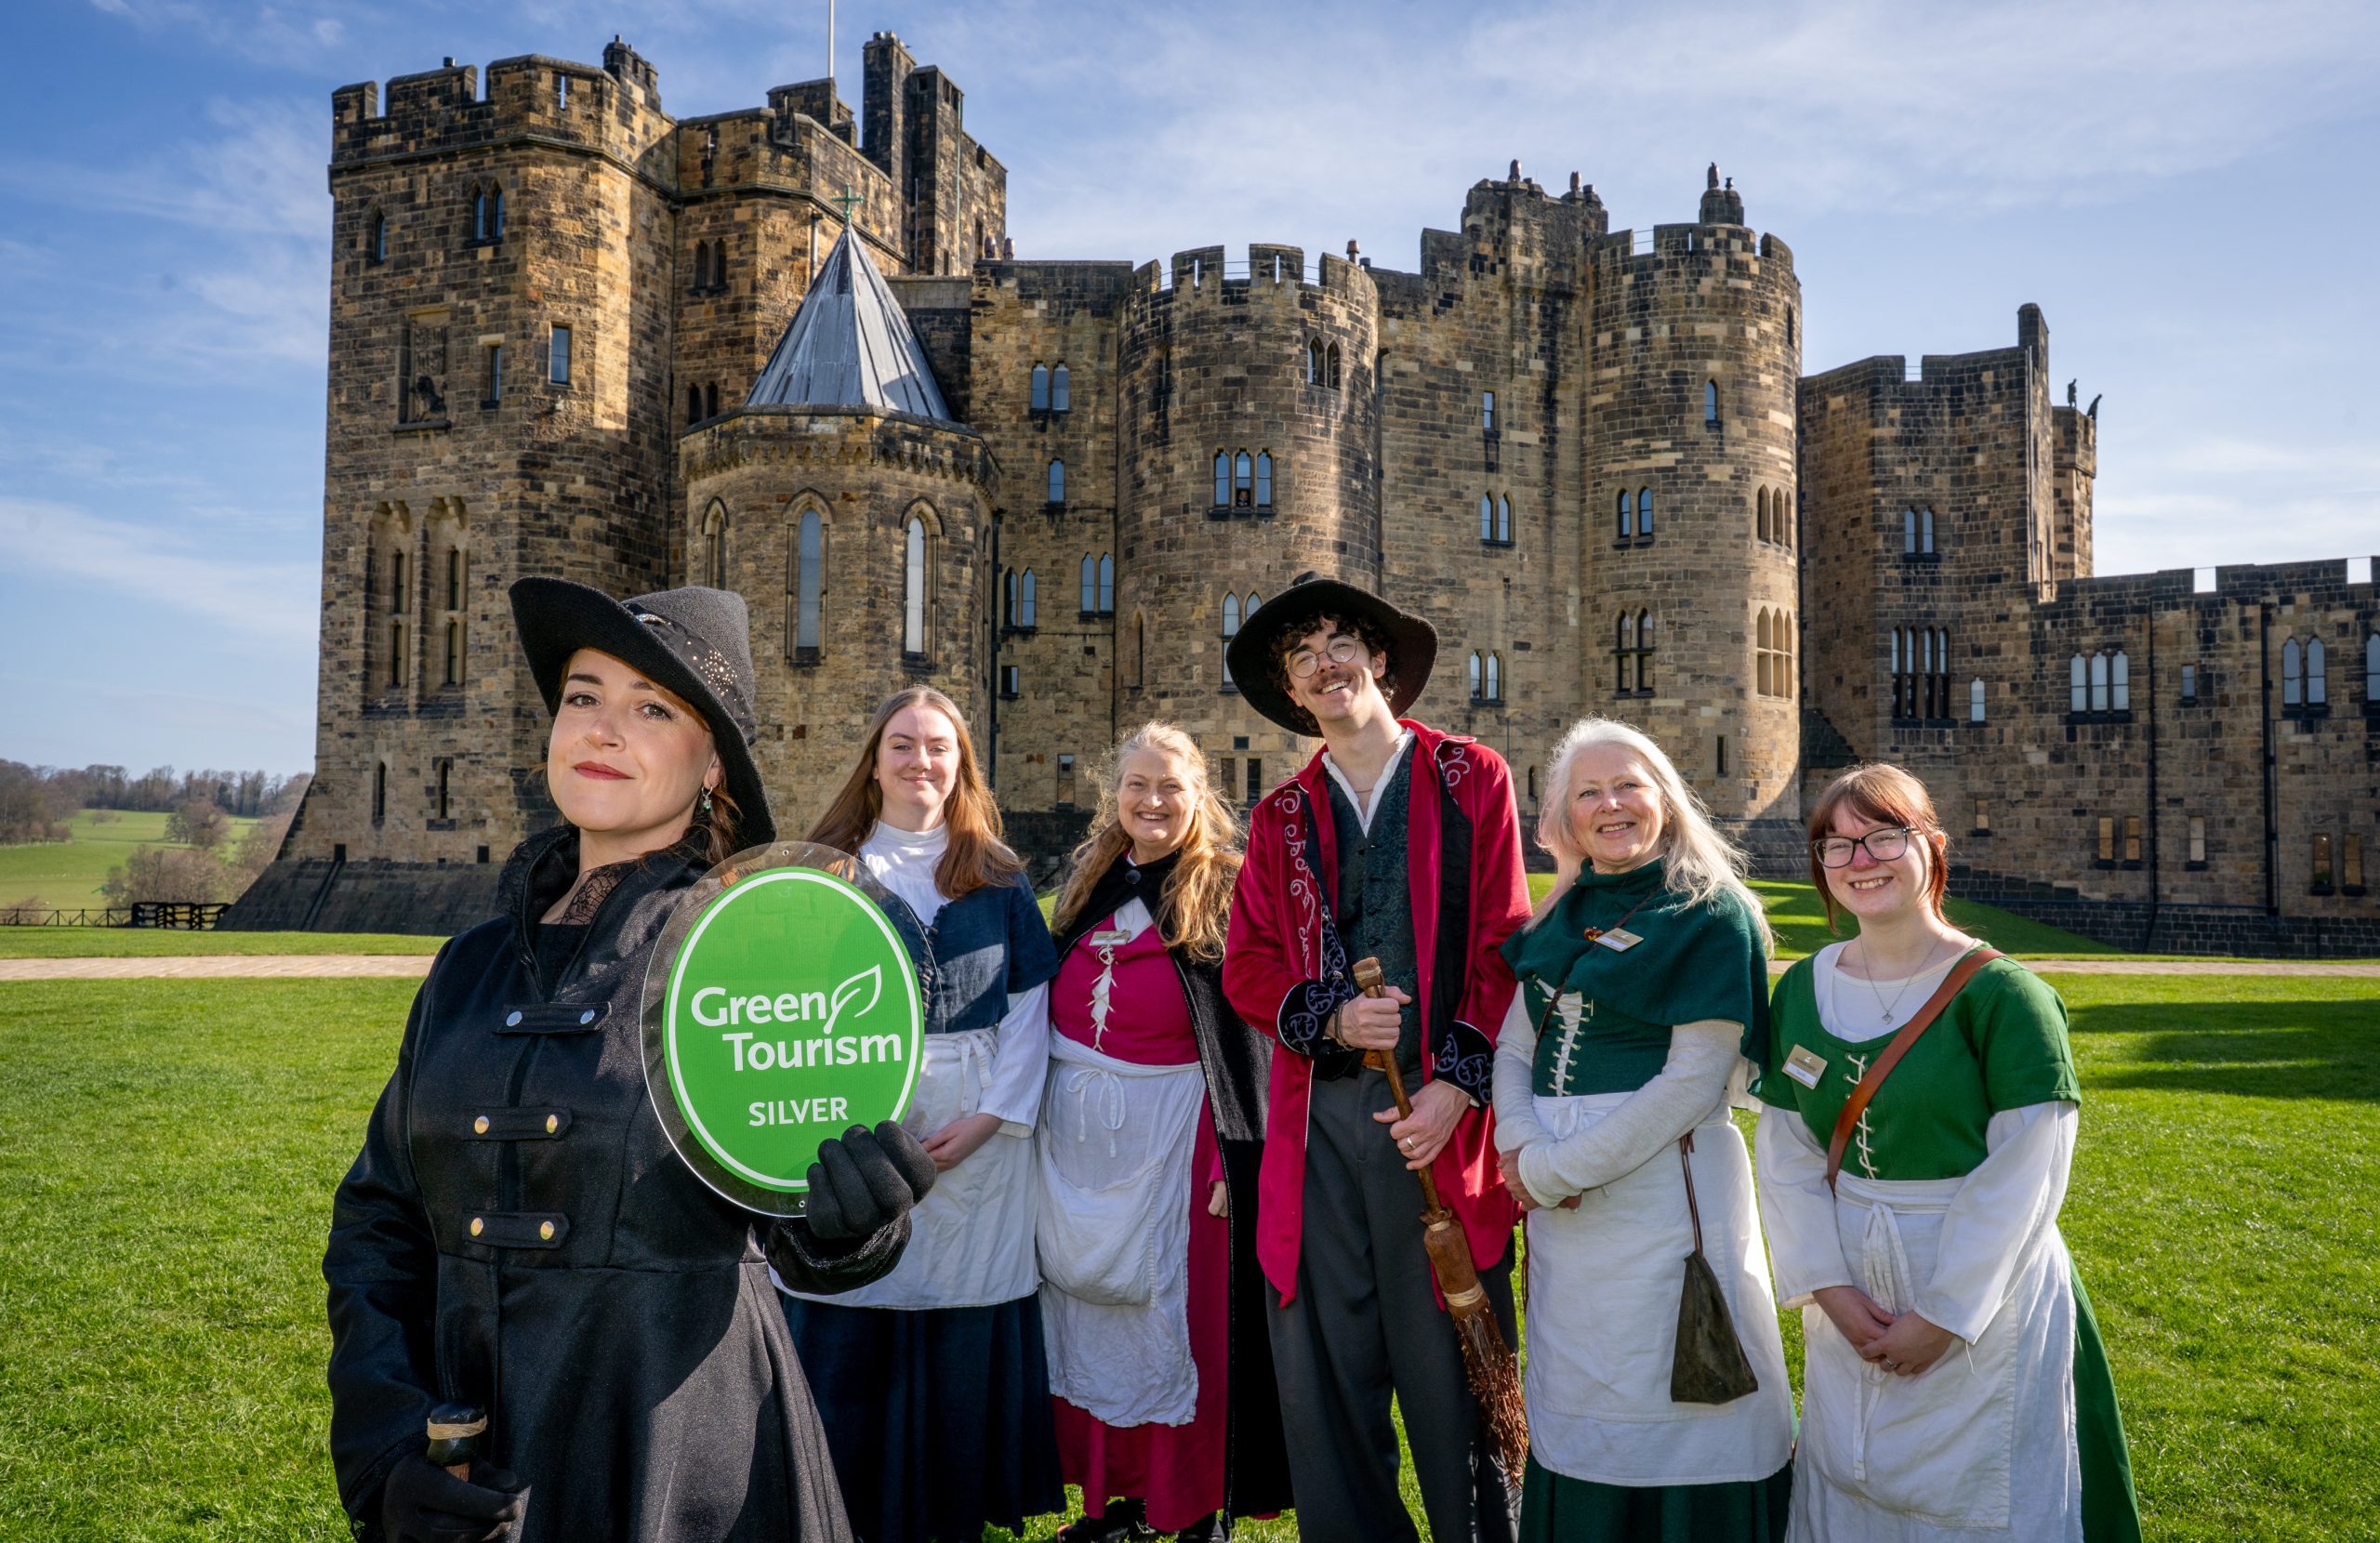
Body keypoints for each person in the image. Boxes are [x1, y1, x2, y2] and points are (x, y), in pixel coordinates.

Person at [325, 579, 936, 1543]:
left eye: (651, 708)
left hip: (679, 1464)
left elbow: (806, 1222)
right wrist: (388, 1447)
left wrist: (851, 1221)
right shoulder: (467, 966)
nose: (603, 729)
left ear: (712, 771)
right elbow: (379, 1220)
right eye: (583, 696)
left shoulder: (752, 952)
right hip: (463, 1478)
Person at [1220, 573, 1531, 1543]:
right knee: (1329, 1367)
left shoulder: (1469, 777)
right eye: (1303, 653)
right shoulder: (1278, 818)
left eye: (1341, 639)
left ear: (1382, 661)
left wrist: (1453, 1088)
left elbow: (1502, 945)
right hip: (1319, 1124)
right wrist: (1326, 1018)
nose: (1326, 660)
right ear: (1294, 690)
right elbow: (1249, 966)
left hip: (1435, 1123)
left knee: (1448, 1359)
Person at [1755, 764, 2142, 1542]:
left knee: (1975, 1495)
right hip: (1849, 1287)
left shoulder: (2004, 996)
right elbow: (1788, 1149)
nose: (1860, 861)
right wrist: (1826, 1285)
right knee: (1847, 1482)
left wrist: (1944, 1316)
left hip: (1976, 1294)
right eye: (1836, 847)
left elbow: (2026, 1174)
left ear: (1931, 847)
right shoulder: (1801, 988)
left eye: (1882, 838)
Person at [1490, 718, 1795, 1539]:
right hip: (1562, 1209)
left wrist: (1551, 1172)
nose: (1610, 804)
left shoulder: (1710, 912)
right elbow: (1516, 1043)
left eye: (1627, 784)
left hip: (1664, 1194)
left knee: (1680, 1390)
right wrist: (1519, 1147)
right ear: (1563, 815)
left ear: (1665, 797)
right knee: (1583, 1389)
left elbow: (1693, 1084)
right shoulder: (1569, 907)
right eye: (1587, 792)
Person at [780, 686, 1065, 1543]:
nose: (920, 761)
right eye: (902, 745)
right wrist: (852, 1115)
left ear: (961, 764)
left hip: (979, 1127)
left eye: (938, 746)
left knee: (959, 1317)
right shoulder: (825, 867)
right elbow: (796, 1007)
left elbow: (1028, 1012)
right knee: (854, 1297)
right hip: (860, 1122)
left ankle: (950, 1509)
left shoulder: (999, 876)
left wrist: (985, 1123)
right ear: (875, 760)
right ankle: (842, 1503)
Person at [1040, 723, 1294, 1543]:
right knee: (1091, 1319)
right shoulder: (1092, 880)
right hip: (1082, 1147)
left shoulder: (1222, 886)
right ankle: (1115, 1501)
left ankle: (1191, 1509)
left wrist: (1234, 1145)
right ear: (1115, 795)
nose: (1152, 801)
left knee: (1182, 1329)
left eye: (1170, 787)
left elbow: (1249, 1032)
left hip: (1184, 1142)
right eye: (1136, 785)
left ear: (1199, 796)